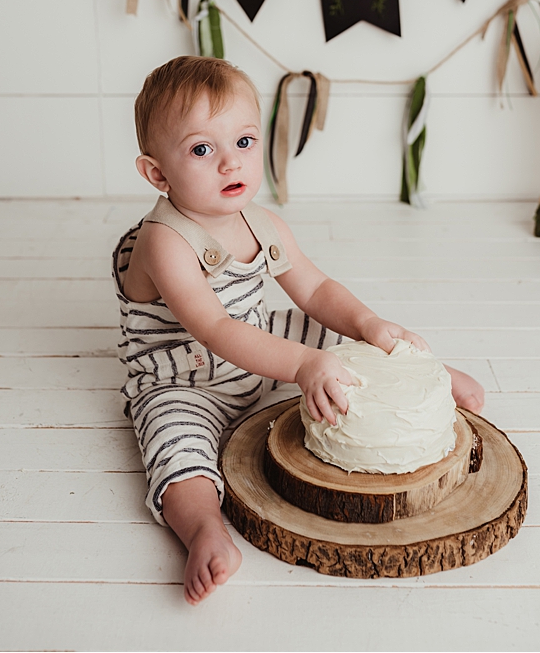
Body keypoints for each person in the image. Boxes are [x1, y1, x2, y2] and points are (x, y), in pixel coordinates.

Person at [113, 55, 484, 605]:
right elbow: (214, 328)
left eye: (242, 142)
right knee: (176, 448)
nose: (229, 164)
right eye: (201, 149)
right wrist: (303, 365)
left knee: (325, 333)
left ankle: (413, 374)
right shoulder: (164, 241)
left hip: (257, 339)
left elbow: (314, 290)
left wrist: (367, 323)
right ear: (158, 174)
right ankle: (203, 530)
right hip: (185, 378)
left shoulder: (262, 223)